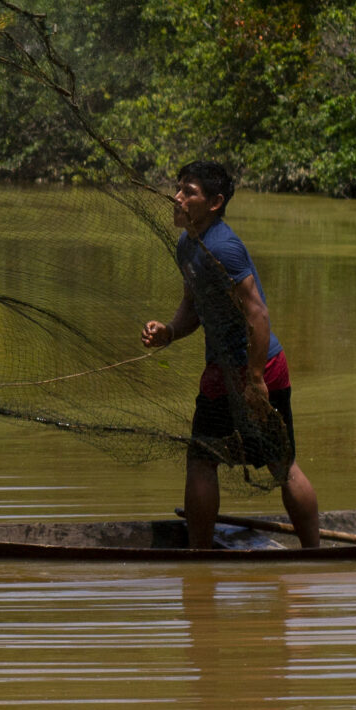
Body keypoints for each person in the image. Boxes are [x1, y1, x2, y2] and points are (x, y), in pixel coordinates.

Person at [139, 160, 322, 549]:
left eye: (189, 192)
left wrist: (255, 380)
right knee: (205, 458)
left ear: (216, 203)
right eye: (179, 189)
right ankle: (202, 557)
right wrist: (170, 331)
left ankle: (313, 555)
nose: (177, 197)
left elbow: (257, 312)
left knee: (278, 464)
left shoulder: (223, 247)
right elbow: (194, 304)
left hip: (259, 367)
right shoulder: (187, 244)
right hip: (222, 369)